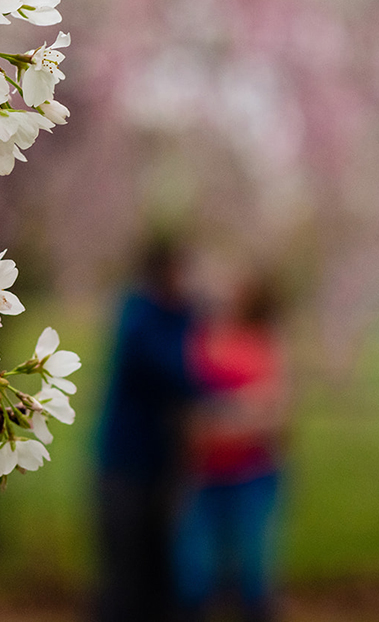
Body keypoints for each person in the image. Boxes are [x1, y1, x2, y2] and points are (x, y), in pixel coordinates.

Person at [173, 271, 287, 622]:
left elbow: (277, 410)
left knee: (252, 570)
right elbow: (183, 399)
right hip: (204, 473)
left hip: (252, 474)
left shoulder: (266, 341)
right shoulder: (202, 336)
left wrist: (223, 418)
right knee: (195, 571)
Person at [95, 239, 199, 621]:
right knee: (125, 567)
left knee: (163, 569)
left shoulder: (186, 314)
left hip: (166, 461)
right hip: (125, 463)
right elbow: (172, 368)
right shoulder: (138, 315)